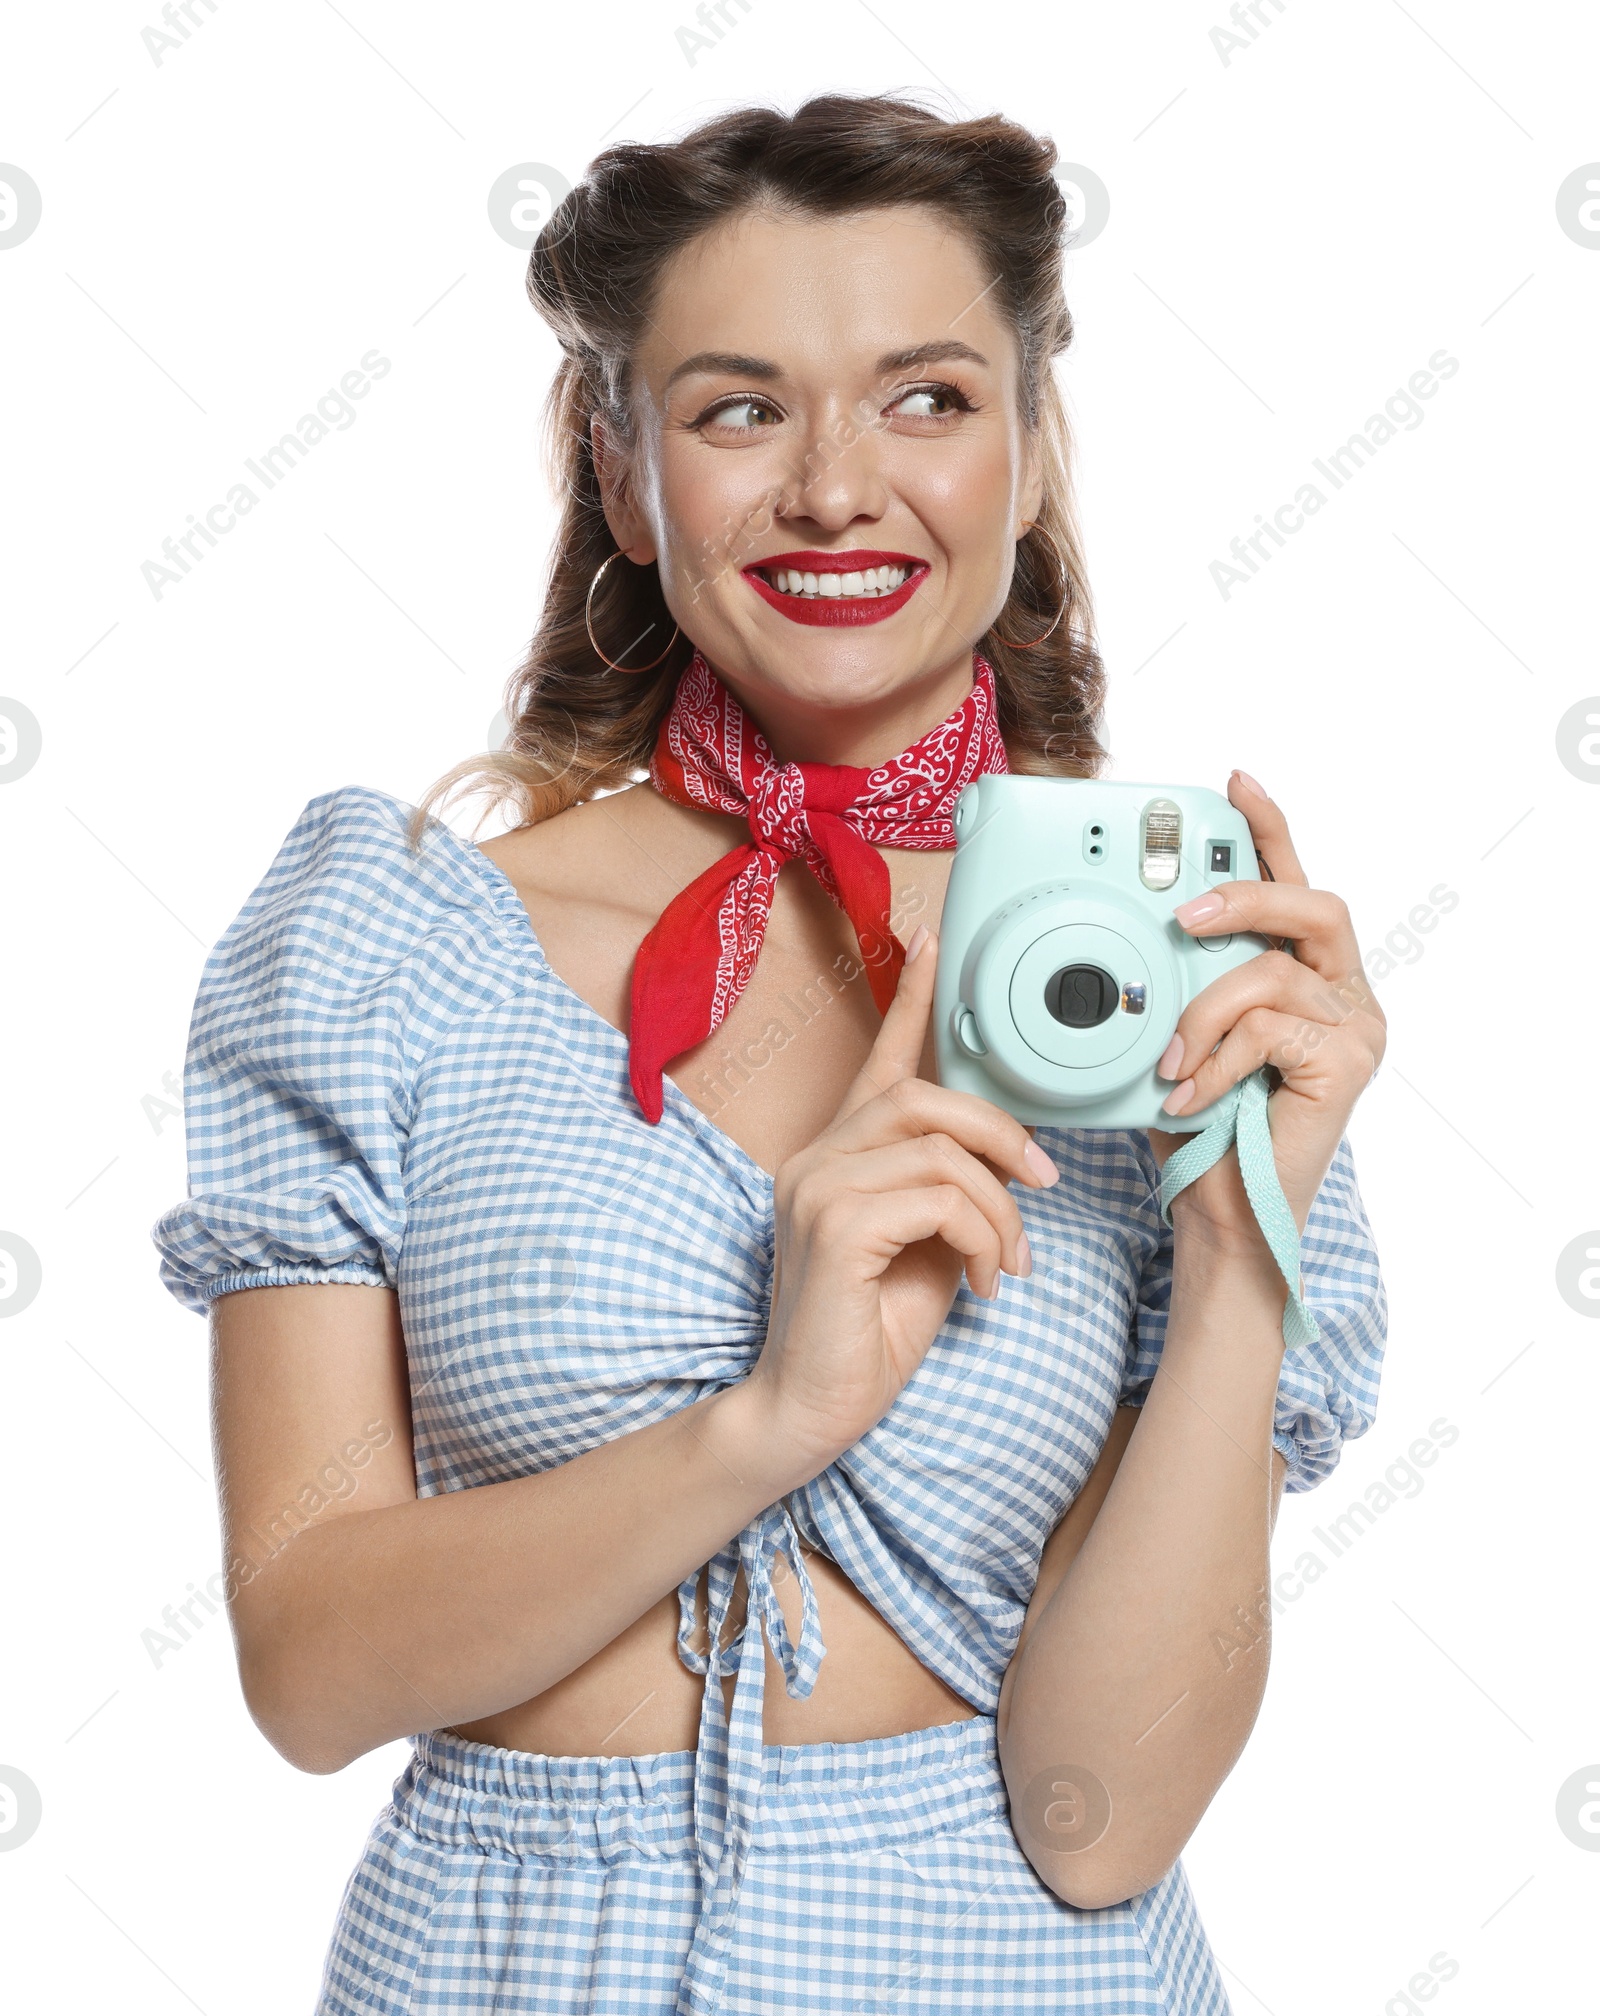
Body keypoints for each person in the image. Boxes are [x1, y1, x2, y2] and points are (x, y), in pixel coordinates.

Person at [151, 93, 1388, 2016]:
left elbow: (1102, 1817)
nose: (834, 489)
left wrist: (1241, 1252)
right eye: (738, 408)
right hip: (502, 1962)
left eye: (927, 399)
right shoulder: (387, 938)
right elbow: (309, 1672)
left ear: (1032, 452)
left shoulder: (1163, 981)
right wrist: (770, 1419)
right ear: (625, 478)